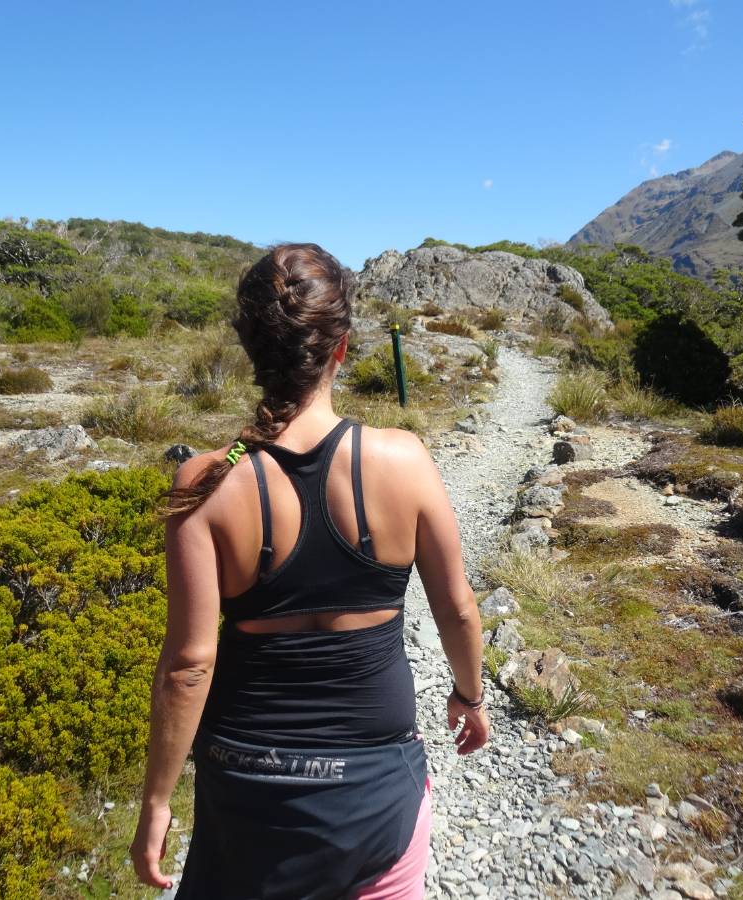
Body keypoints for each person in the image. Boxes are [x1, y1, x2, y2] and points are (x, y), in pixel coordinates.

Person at [129, 243, 491, 899]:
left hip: (246, 791)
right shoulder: (405, 459)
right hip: (377, 793)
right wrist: (469, 696)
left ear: (251, 348)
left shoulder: (207, 481)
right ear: (341, 348)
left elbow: (188, 666)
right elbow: (457, 609)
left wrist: (157, 801)